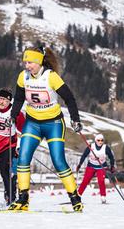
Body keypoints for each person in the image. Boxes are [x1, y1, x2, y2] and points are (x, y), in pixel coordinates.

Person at [8, 46, 84, 212]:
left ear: (38, 61)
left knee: (58, 161)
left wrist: (75, 120)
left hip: (53, 124)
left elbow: (69, 99)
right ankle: (23, 199)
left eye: (30, 62)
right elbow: (19, 99)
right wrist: (13, 116)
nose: (27, 65)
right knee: (23, 158)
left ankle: (75, 198)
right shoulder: (23, 77)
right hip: (33, 122)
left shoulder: (51, 77)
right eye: (25, 62)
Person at [76, 134, 115, 204]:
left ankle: (103, 197)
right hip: (91, 166)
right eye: (98, 140)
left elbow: (111, 157)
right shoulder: (91, 146)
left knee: (101, 181)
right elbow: (84, 155)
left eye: (102, 140)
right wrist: (79, 165)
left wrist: (112, 166)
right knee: (85, 180)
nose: (100, 142)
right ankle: (78, 195)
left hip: (101, 167)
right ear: (95, 140)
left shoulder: (106, 148)